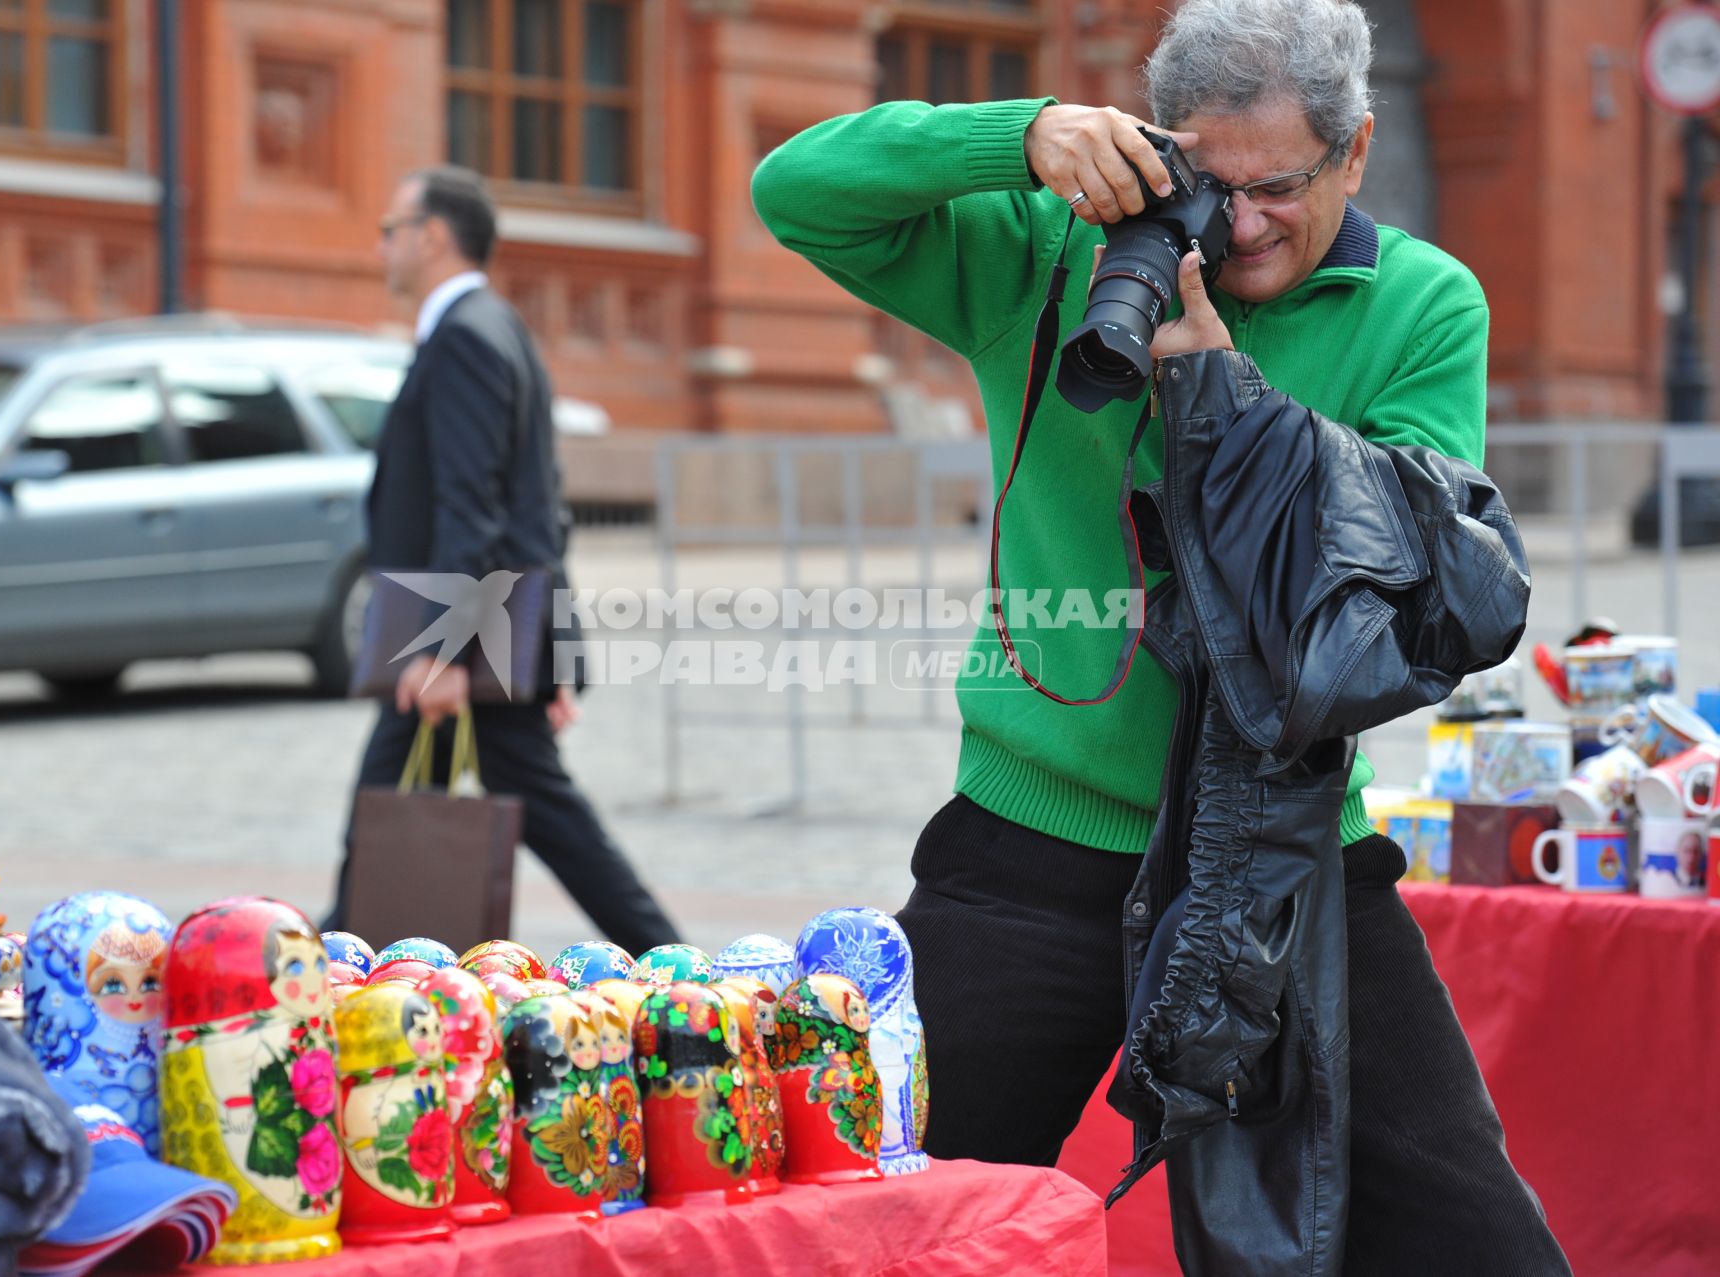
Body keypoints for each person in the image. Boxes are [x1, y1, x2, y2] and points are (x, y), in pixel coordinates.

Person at [751, 1, 1569, 1272]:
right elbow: (796, 188)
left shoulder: (1420, 303)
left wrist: (1218, 396)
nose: (1235, 227)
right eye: (1205, 180)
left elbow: (1405, 587)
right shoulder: (1046, 252)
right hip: (1037, 826)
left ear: (1355, 153)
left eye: (1278, 186)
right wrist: (1018, 138)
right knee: (894, 1222)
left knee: (1476, 1239)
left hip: (1292, 851)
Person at [325, 165, 681, 956]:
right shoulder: (497, 327)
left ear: (434, 236)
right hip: (487, 625)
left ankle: (672, 963)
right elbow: (538, 505)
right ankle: (334, 960)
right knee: (439, 801)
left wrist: (449, 651)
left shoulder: (465, 338)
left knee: (412, 803)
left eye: (391, 228)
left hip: (462, 632)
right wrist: (551, 650)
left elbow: (474, 505)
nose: (381, 244)